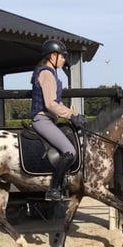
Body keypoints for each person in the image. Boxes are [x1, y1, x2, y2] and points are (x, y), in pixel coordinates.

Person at [30, 39, 85, 201]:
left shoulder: (50, 72)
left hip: (49, 120)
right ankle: (53, 189)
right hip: (43, 119)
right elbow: (50, 104)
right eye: (62, 56)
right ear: (52, 56)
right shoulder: (46, 73)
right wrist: (71, 116)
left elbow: (57, 103)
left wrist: (71, 113)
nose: (63, 59)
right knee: (70, 151)